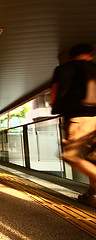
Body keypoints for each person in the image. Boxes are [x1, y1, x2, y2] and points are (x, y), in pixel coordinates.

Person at [51, 43, 96, 207]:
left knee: (72, 156)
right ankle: (91, 195)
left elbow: (54, 95)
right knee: (92, 158)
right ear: (90, 54)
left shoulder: (64, 69)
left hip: (79, 118)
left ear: (70, 56)